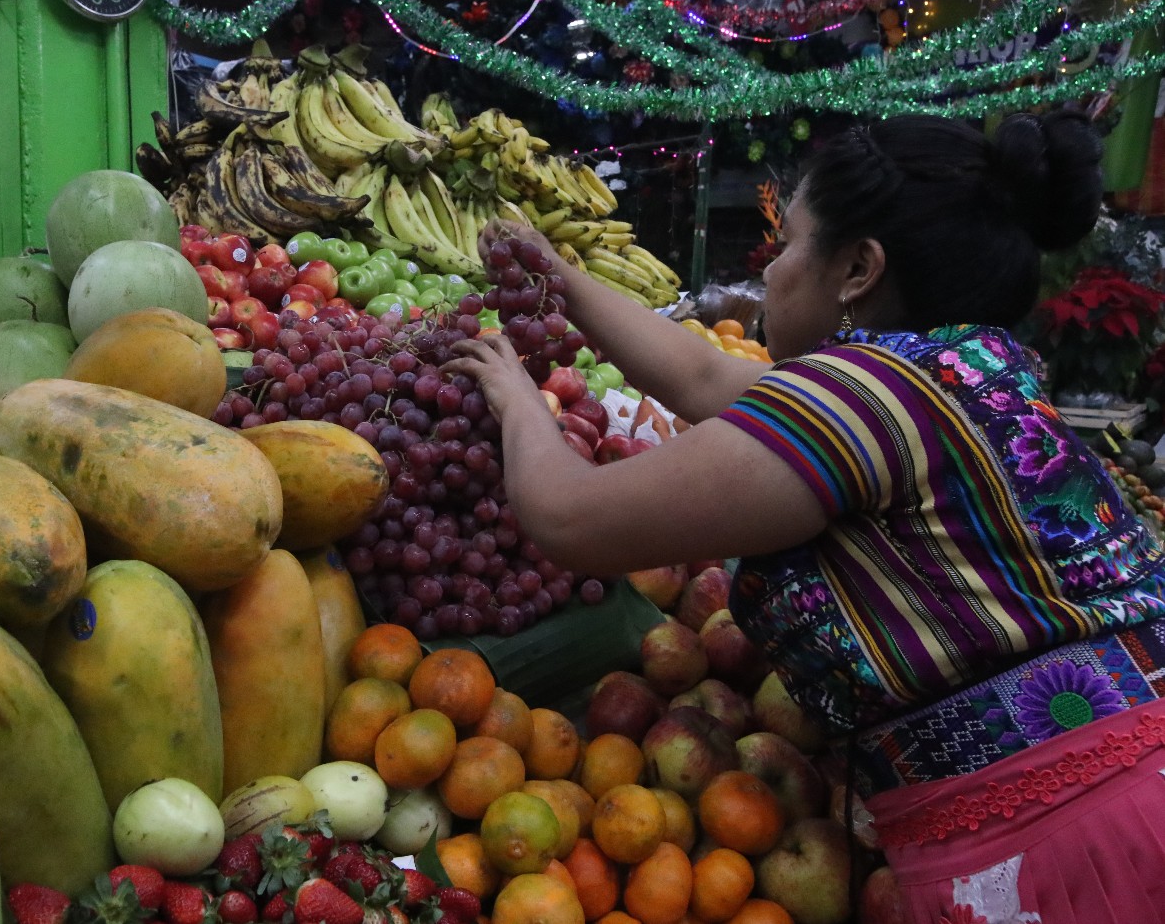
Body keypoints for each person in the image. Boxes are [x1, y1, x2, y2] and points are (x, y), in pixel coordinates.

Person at [443, 111, 1165, 923]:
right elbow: (700, 372)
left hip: (1074, 840)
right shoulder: (960, 375)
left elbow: (570, 518)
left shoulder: (862, 394)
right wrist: (561, 277)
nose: (770, 268)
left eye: (785, 244)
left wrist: (514, 397)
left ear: (856, 267)